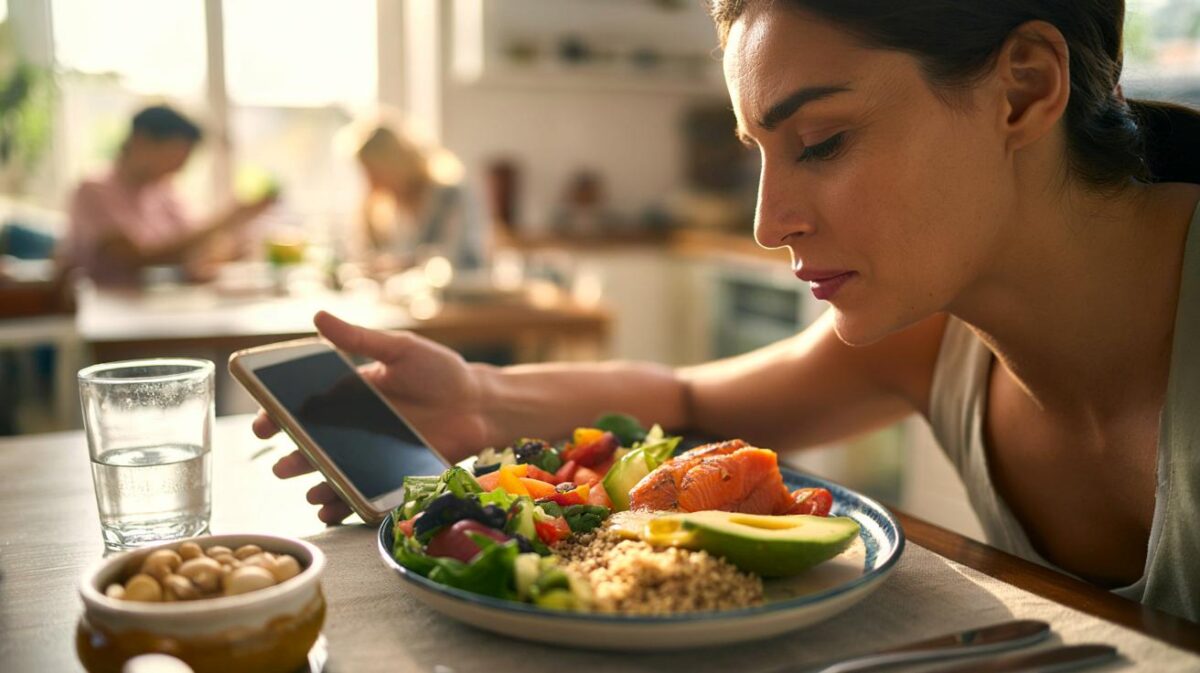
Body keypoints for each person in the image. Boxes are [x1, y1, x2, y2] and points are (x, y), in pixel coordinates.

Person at [256, 0, 1200, 622]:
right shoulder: (939, 328)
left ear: (1023, 88)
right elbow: (694, 401)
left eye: (820, 141)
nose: (766, 221)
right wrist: (480, 400)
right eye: (760, 152)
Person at [60, 105, 276, 287]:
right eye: (174, 156)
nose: (178, 169)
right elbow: (135, 259)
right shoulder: (93, 191)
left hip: (158, 303)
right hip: (105, 309)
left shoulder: (163, 192)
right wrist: (226, 220)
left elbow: (189, 249)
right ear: (141, 141)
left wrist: (233, 248)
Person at [340, 117, 489, 275]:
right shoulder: (388, 210)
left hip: (461, 289)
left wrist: (400, 264)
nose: (370, 182)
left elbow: (458, 257)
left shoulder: (450, 197)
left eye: (373, 171)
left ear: (392, 163)